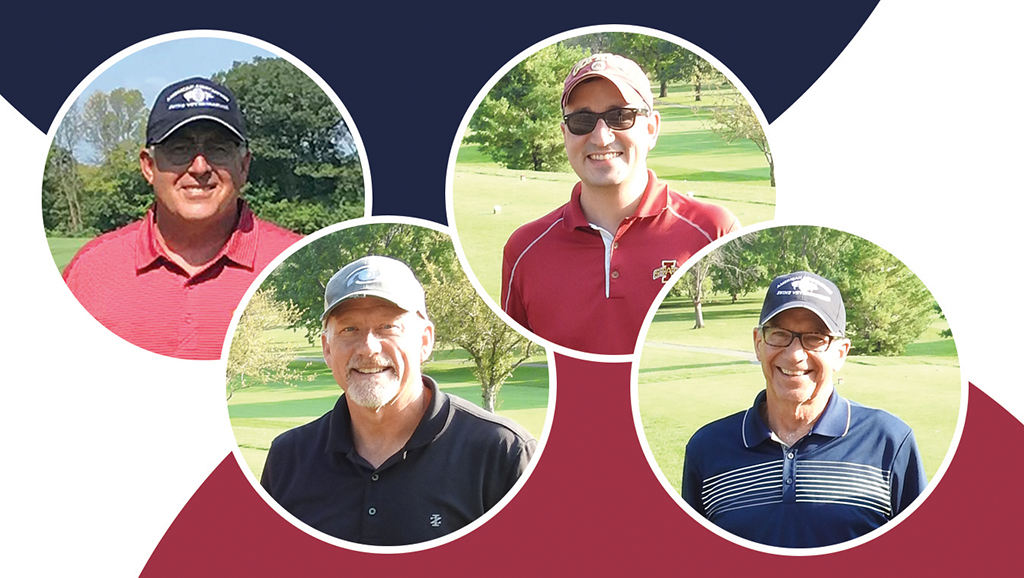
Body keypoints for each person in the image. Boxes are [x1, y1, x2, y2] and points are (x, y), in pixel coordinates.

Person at [260, 256, 536, 546]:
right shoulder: (288, 458)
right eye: (349, 329)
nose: (368, 347)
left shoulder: (503, 453)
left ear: (425, 340)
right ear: (327, 349)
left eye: (388, 327)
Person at [501, 53, 740, 355]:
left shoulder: (714, 231)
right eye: (582, 120)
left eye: (620, 116)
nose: (601, 137)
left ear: (651, 129)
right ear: (565, 134)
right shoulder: (524, 250)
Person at [682, 271, 927, 548]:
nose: (795, 354)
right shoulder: (707, 448)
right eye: (779, 334)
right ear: (758, 343)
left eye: (815, 337)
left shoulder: (889, 442)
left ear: (840, 352)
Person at [62, 77, 302, 360]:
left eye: (218, 149)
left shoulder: (299, 263)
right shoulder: (91, 271)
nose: (200, 167)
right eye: (179, 149)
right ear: (148, 166)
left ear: (244, 166)